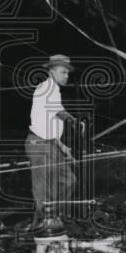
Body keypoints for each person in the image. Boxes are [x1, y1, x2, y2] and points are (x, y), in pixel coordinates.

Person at [25, 54, 79, 229]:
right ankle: (43, 222)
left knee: (68, 180)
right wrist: (74, 121)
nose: (66, 76)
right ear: (52, 71)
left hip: (50, 143)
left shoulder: (54, 91)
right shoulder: (46, 88)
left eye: (68, 73)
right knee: (44, 186)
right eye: (63, 72)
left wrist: (62, 146)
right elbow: (58, 111)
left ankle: (52, 214)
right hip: (39, 144)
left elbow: (49, 121)